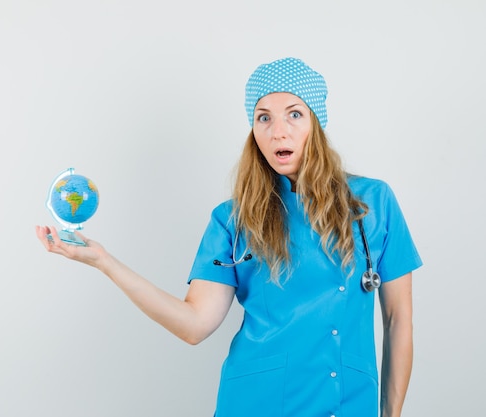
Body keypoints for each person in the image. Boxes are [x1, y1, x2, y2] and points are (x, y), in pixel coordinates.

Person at [35, 57, 422, 417]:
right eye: (263, 118)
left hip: (348, 402)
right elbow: (194, 325)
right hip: (256, 402)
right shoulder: (233, 220)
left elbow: (397, 318)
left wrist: (391, 413)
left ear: (316, 124)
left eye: (294, 114)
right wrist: (105, 262)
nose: (278, 130)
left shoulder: (372, 203)